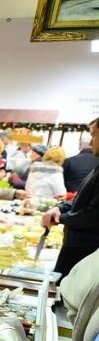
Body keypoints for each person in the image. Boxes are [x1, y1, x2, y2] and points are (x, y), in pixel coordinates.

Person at [42, 116, 99, 280]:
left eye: (94, 135)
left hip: (86, 249)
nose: (91, 141)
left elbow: (92, 214)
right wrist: (59, 208)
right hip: (77, 244)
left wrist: (61, 218)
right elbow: (81, 199)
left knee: (65, 299)